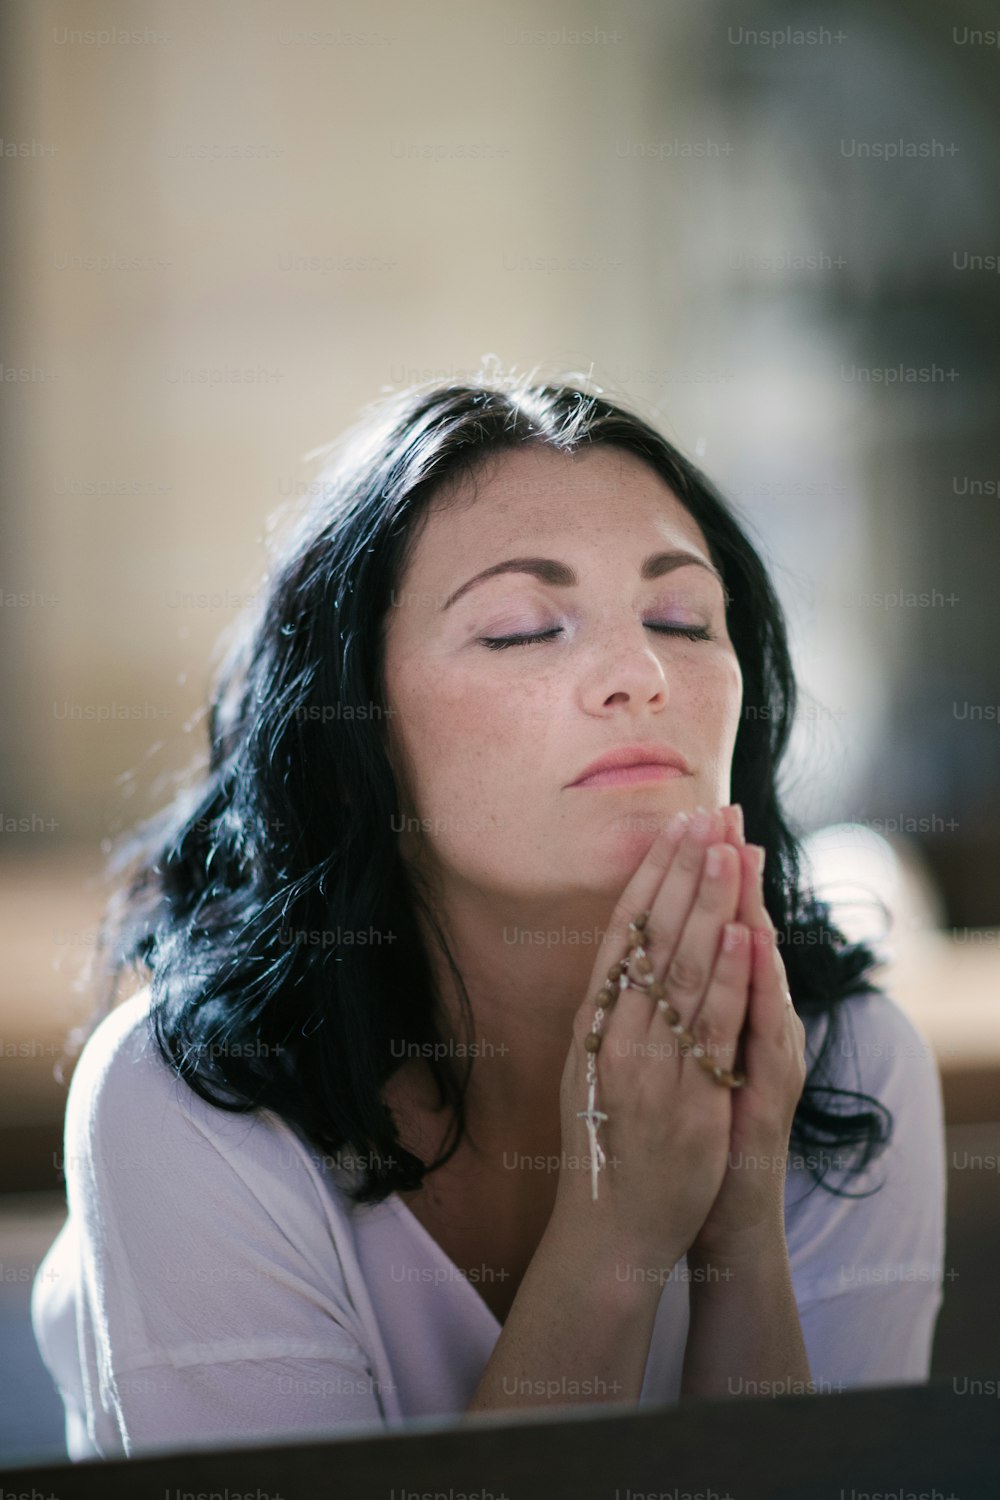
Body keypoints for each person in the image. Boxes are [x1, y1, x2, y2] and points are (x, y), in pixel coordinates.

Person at [31, 370, 947, 1460]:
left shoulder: (849, 1067)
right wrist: (617, 1233)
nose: (639, 672)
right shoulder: (187, 1105)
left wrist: (739, 1235)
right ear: (352, 724)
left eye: (679, 616)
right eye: (519, 630)